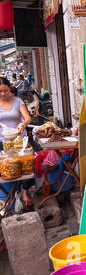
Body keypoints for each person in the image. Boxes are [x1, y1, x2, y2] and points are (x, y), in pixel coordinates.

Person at [0, 77, 34, 207]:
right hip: (2, 141)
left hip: (20, 142)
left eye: (5, 91)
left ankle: (24, 192)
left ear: (10, 89)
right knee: (7, 170)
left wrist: (23, 124)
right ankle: (9, 195)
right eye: (0, 91)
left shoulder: (17, 101)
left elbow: (27, 118)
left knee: (26, 169)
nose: (3, 94)